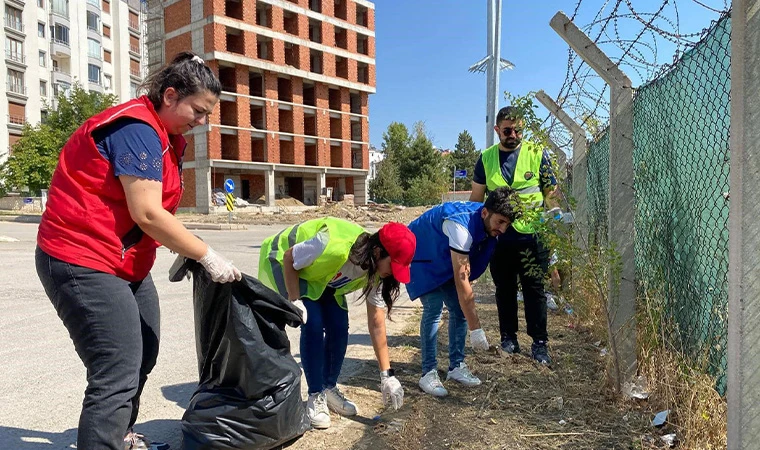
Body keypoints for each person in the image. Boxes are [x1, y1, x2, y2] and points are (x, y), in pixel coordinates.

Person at [35, 52, 242, 450]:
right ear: (169, 95)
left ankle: (117, 434)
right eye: (197, 111)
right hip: (80, 258)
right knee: (116, 371)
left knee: (144, 350)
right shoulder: (136, 129)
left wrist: (177, 244)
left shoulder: (167, 137)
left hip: (122, 262)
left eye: (207, 115)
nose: (201, 122)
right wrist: (205, 253)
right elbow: (147, 212)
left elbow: (151, 214)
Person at [258, 218, 414, 429]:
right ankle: (315, 396)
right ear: (377, 252)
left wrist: (387, 375)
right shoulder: (332, 244)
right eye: (392, 265)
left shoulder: (377, 272)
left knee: (339, 327)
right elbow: (288, 258)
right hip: (287, 264)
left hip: (324, 278)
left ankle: (328, 388)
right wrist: (295, 301)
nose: (393, 273)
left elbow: (376, 323)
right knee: (312, 323)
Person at [407, 186, 521, 397]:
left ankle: (456, 366)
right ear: (485, 213)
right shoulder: (460, 226)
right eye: (500, 222)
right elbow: (462, 280)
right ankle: (428, 372)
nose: (503, 230)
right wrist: (476, 330)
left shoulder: (487, 220)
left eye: (508, 223)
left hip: (443, 255)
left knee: (459, 310)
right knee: (434, 308)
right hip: (422, 252)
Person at [470, 106, 558, 365]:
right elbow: (476, 200)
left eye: (518, 129)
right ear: (497, 130)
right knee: (504, 289)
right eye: (507, 130)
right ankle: (509, 338)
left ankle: (539, 343)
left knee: (535, 290)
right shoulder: (485, 159)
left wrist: (555, 222)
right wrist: (475, 236)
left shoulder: (537, 153)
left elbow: (550, 194)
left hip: (532, 237)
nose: (514, 134)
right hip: (499, 239)